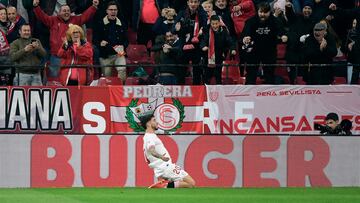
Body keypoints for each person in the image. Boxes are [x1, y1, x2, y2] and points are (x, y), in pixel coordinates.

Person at [32, 0, 98, 78]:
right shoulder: (53, 20)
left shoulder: (75, 20)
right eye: (64, 11)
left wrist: (94, 6)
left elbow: (85, 16)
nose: (66, 12)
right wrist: (36, 7)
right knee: (55, 77)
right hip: (56, 56)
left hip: (71, 57)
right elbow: (42, 17)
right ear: (59, 12)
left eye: (68, 11)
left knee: (69, 77)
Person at [140, 113, 195, 188]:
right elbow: (152, 150)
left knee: (177, 186)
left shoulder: (149, 136)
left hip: (160, 168)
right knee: (191, 183)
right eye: (154, 120)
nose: (157, 122)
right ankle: (164, 185)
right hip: (165, 167)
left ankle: (164, 184)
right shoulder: (150, 137)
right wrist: (161, 157)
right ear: (148, 124)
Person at [241, 2, 287, 84]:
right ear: (257, 11)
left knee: (269, 75)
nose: (262, 14)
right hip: (254, 51)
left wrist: (284, 36)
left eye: (265, 12)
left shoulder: (275, 21)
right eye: (261, 12)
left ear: (270, 12)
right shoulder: (251, 21)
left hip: (269, 51)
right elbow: (245, 34)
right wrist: (246, 38)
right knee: (251, 74)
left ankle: (268, 95)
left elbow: (282, 32)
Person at [93, 1, 128, 83]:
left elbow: (126, 40)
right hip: (105, 55)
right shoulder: (100, 23)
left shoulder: (122, 23)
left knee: (122, 69)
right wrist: (100, 43)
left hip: (119, 53)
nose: (113, 11)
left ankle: (121, 89)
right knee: (107, 77)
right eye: (111, 10)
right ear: (107, 11)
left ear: (117, 11)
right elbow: (94, 40)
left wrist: (124, 46)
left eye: (115, 10)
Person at [200, 15, 236, 84]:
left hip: (219, 56)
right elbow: (203, 40)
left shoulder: (224, 31)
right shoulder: (207, 30)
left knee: (218, 76)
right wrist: (203, 46)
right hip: (208, 57)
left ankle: (219, 91)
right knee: (207, 76)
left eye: (216, 24)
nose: (215, 26)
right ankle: (205, 91)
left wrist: (233, 49)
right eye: (213, 24)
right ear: (210, 23)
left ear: (219, 23)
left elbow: (230, 41)